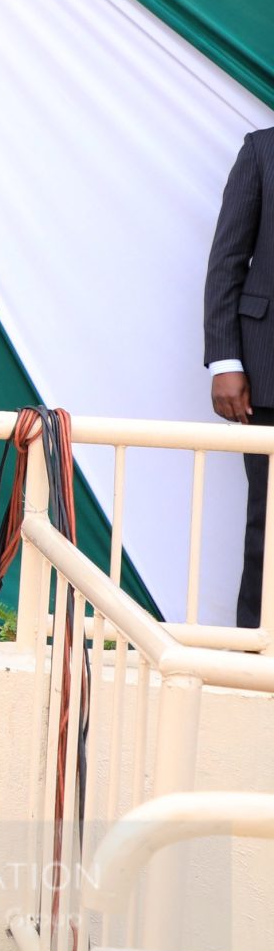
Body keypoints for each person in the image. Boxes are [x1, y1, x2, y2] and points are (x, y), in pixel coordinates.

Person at [207, 123, 274, 631]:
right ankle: (255, 652)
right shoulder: (262, 150)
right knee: (268, 523)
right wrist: (226, 361)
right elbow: (228, 260)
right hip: (267, 370)